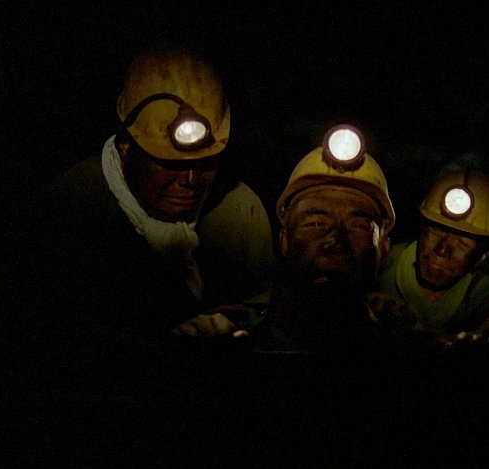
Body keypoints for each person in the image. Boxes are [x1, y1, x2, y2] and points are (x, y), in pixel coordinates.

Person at [25, 47, 274, 380]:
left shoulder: (239, 213)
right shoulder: (69, 211)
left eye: (207, 163)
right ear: (126, 148)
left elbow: (260, 311)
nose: (190, 180)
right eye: (169, 163)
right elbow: (44, 335)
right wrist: (156, 348)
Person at [174, 125, 429, 353]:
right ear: (284, 241)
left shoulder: (406, 341)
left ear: (383, 248)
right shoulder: (226, 334)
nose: (336, 241)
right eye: (315, 223)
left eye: (357, 226)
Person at [378, 167, 489, 351]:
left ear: (481, 257)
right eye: (435, 231)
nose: (442, 249)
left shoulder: (479, 289)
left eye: (462, 244)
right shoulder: (384, 260)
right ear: (421, 229)